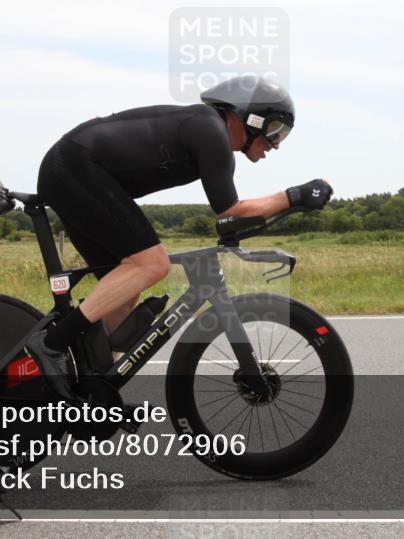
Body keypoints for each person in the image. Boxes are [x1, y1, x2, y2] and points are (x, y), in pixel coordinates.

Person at [28, 75, 333, 399]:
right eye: (275, 131)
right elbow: (229, 209)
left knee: (126, 286)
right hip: (74, 166)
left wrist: (289, 203)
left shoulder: (210, 134)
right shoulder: (210, 130)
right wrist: (294, 195)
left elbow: (232, 217)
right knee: (151, 264)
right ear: (250, 116)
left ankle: (90, 383)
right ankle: (51, 345)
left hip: (72, 168)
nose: (276, 143)